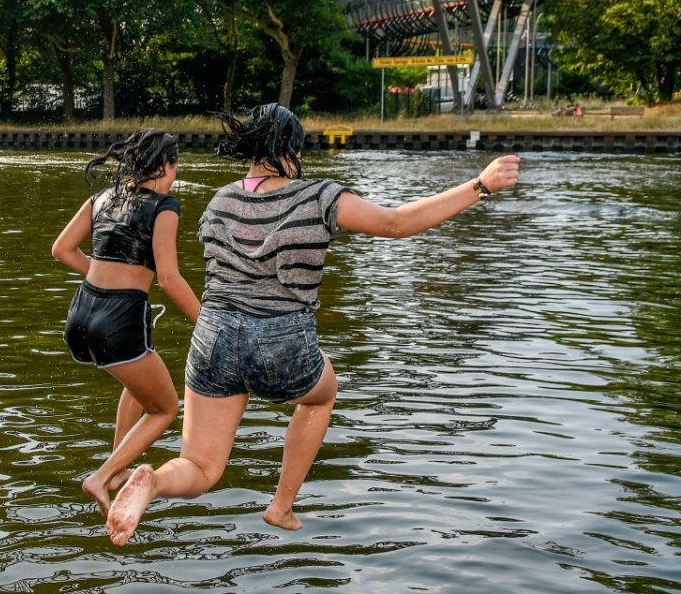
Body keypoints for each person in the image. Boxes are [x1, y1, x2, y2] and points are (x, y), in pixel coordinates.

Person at [106, 104, 521, 545]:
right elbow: (396, 224)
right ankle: (282, 506)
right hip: (280, 340)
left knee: (202, 467)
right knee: (322, 395)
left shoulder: (220, 199)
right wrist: (481, 185)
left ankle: (152, 481)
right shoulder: (319, 195)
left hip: (213, 338)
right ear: (290, 147)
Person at [52, 129, 201, 514]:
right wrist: (207, 321)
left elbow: (62, 249)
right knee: (165, 408)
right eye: (175, 166)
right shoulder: (164, 206)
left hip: (80, 315)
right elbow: (168, 278)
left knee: (137, 383)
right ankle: (102, 477)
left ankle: (116, 470)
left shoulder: (101, 198)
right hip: (119, 320)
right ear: (166, 165)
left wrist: (101, 275)